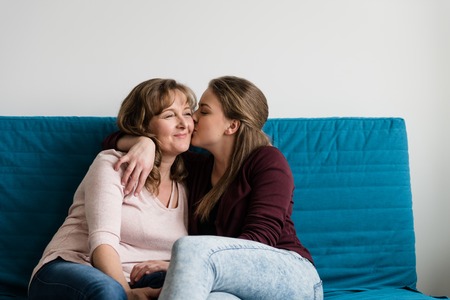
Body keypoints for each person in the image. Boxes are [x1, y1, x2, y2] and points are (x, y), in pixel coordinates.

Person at [104, 76, 323, 299]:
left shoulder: (267, 160)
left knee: (188, 248)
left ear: (232, 125)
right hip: (226, 283)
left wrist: (182, 264)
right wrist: (145, 143)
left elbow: (261, 238)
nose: (193, 117)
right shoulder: (196, 168)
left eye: (204, 111)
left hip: (290, 274)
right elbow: (109, 141)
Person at [28, 78, 196, 300]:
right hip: (75, 265)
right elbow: (102, 243)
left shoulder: (189, 180)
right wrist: (127, 294)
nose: (183, 123)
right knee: (108, 291)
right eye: (169, 115)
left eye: (186, 112)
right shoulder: (111, 164)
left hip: (141, 278)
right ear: (143, 126)